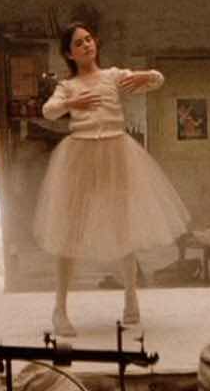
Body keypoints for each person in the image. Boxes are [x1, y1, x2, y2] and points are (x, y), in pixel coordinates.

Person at [34, 21, 191, 336]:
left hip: (117, 153)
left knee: (123, 227)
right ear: (69, 54)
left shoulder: (112, 76)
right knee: (69, 230)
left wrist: (148, 75)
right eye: (79, 43)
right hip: (80, 155)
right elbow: (48, 111)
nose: (87, 45)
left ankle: (131, 298)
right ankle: (60, 309)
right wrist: (71, 103)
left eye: (89, 39)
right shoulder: (68, 86)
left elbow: (158, 80)